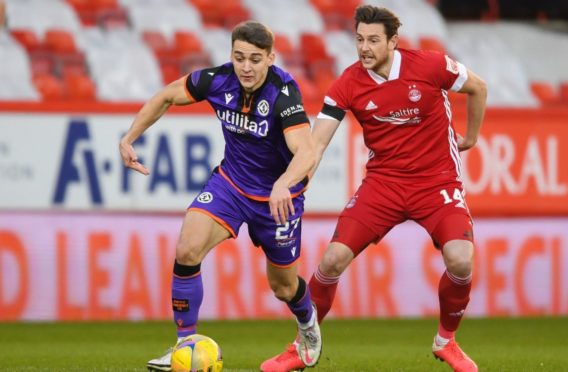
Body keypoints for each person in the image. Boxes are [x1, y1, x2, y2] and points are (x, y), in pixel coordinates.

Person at [261, 5, 486, 372]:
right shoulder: (347, 83)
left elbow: (478, 87)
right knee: (331, 260)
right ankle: (304, 345)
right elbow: (315, 145)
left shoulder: (431, 65)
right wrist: (285, 181)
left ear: (393, 42)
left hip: (437, 182)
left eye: (373, 40)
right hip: (384, 184)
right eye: (359, 39)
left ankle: (447, 340)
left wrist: (471, 138)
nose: (364, 48)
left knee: (461, 259)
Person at [119, 21, 322, 371]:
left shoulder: (283, 92)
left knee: (284, 287)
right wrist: (129, 137)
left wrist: (283, 182)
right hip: (230, 184)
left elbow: (307, 152)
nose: (246, 67)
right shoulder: (217, 80)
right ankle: (184, 343)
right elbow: (167, 95)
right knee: (187, 248)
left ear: (271, 58)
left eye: (255, 59)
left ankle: (307, 324)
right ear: (231, 55)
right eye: (239, 57)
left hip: (278, 200)